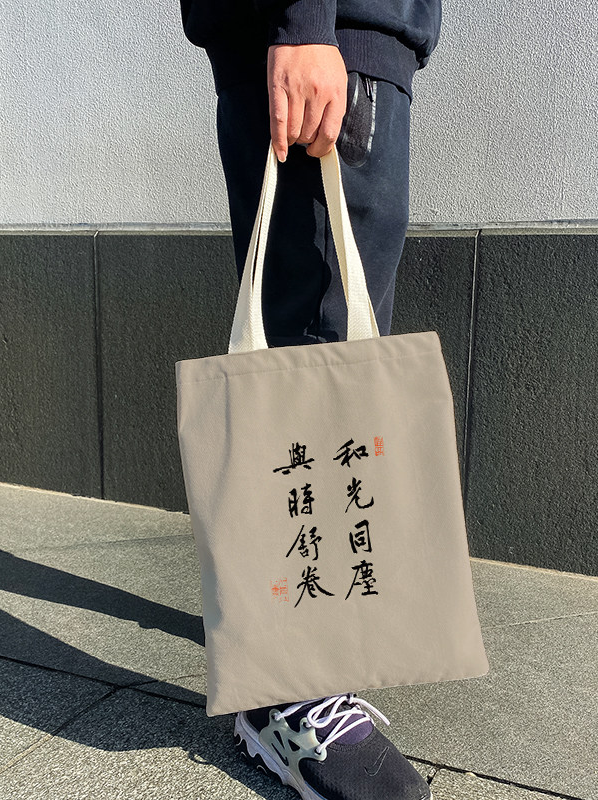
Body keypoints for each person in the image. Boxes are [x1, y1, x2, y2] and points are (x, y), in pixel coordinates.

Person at [179, 2, 441, 798]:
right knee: (318, 353)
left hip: (349, 32)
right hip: (321, 29)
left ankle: (294, 640)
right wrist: (302, 21)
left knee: (333, 355)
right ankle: (289, 697)